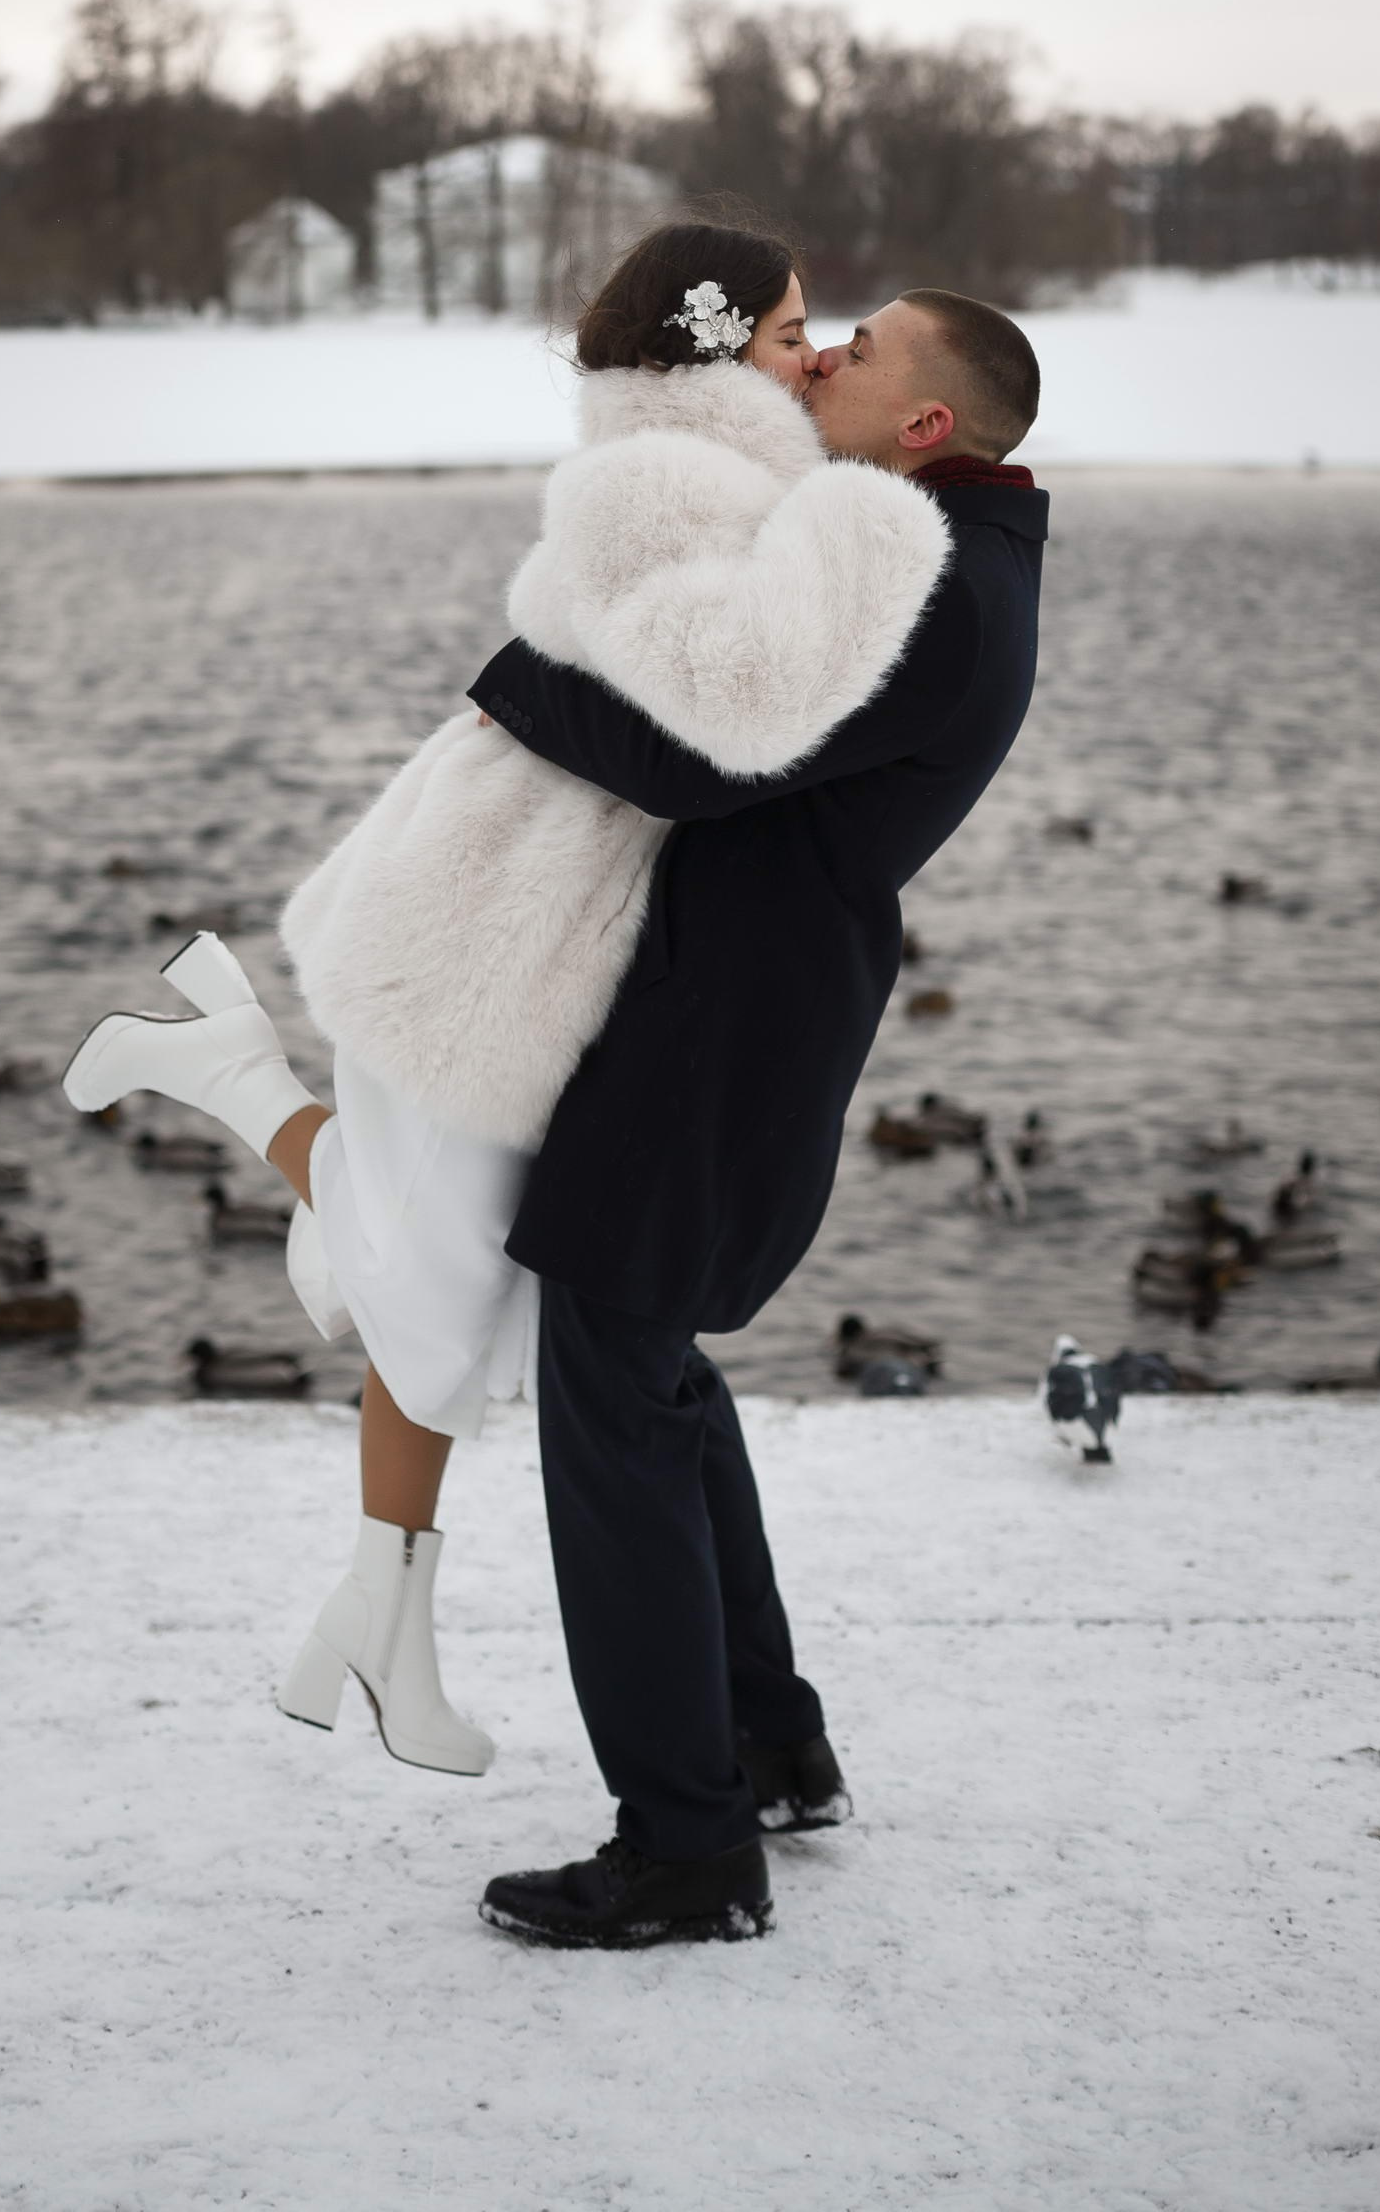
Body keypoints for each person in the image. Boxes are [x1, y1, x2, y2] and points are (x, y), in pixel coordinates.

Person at [61, 218, 953, 1782]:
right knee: (439, 1294)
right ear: (712, 351)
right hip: (477, 929)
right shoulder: (658, 483)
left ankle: (380, 1626)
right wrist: (875, 528)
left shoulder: (716, 472)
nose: (820, 351)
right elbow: (736, 714)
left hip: (530, 934)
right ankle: (242, 1094)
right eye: (793, 331)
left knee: (451, 1299)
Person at [468, 286, 1047, 1946]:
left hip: (727, 1033)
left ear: (928, 427)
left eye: (861, 353)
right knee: (653, 1371)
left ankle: (686, 1845)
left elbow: (708, 757)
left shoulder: (929, 580)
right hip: (747, 1007)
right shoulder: (941, 549)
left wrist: (516, 681)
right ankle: (768, 1749)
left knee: (609, 1391)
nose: (829, 355)